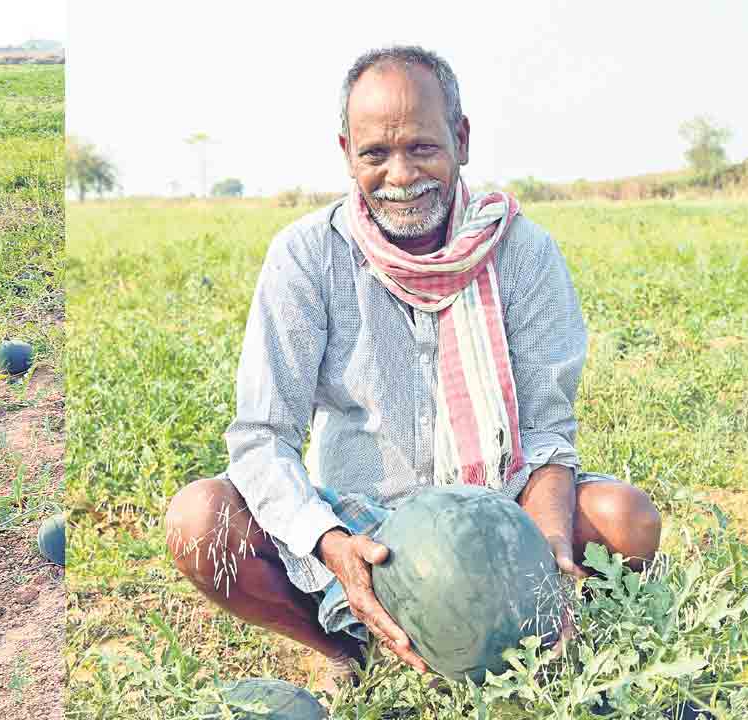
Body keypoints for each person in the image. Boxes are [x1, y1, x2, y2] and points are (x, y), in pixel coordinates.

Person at [164, 45, 662, 694]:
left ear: (460, 139)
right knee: (198, 520)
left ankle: (543, 653)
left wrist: (541, 552)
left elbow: (546, 434)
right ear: (347, 153)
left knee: (628, 519)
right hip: (358, 518)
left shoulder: (522, 251)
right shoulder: (306, 256)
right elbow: (262, 437)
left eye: (422, 148)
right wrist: (330, 539)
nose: (400, 175)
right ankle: (352, 654)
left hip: (496, 507)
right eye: (375, 154)